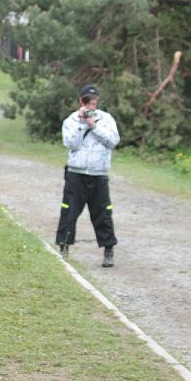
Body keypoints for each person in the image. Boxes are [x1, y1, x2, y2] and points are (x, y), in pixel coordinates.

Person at [54, 84, 120, 267]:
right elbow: (70, 144)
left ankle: (108, 249)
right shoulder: (71, 121)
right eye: (87, 102)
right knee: (69, 211)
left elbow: (113, 141)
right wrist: (83, 126)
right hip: (76, 173)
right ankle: (64, 246)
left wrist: (94, 126)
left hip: (99, 174)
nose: (90, 106)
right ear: (80, 102)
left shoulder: (106, 119)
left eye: (93, 102)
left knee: (103, 213)